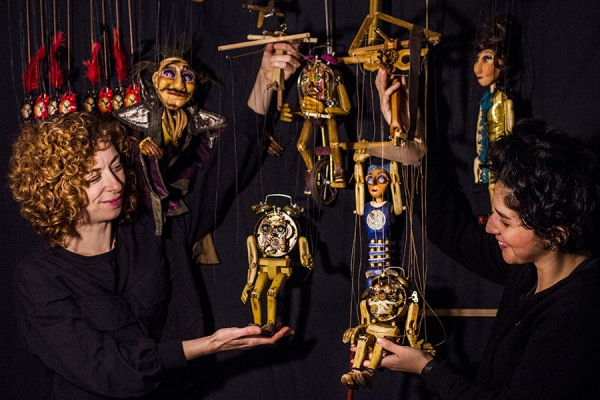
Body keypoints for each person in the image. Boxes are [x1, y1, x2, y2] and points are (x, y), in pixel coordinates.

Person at [8, 42, 302, 400]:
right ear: (56, 190)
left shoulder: (152, 232)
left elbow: (221, 175)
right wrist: (208, 345)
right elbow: (113, 371)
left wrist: (266, 82)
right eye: (93, 178)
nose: (115, 183)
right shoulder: (38, 279)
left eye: (116, 166)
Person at [374, 71, 600, 398]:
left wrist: (427, 368)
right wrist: (410, 138)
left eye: (505, 222)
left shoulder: (580, 308)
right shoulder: (530, 267)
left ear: (555, 234)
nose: (491, 227)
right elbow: (452, 231)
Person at [472, 16, 518, 211]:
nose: (478, 68)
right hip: (488, 158)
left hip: (501, 160)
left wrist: (505, 161)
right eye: (477, 59)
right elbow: (481, 130)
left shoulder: (504, 100)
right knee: (490, 192)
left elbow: (510, 132)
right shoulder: (485, 101)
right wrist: (479, 157)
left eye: (487, 59)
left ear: (501, 61)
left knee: (500, 193)